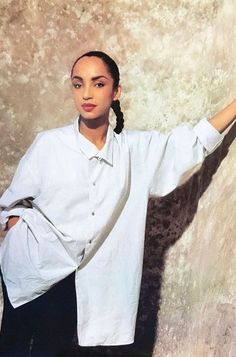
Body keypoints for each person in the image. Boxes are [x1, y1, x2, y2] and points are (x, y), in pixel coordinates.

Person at [0, 50, 235, 356]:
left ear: (116, 91)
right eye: (77, 84)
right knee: (13, 351)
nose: (86, 93)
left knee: (52, 350)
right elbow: (11, 203)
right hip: (32, 269)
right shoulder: (49, 144)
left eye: (98, 84)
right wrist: (16, 226)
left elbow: (191, 143)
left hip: (78, 279)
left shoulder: (134, 150)